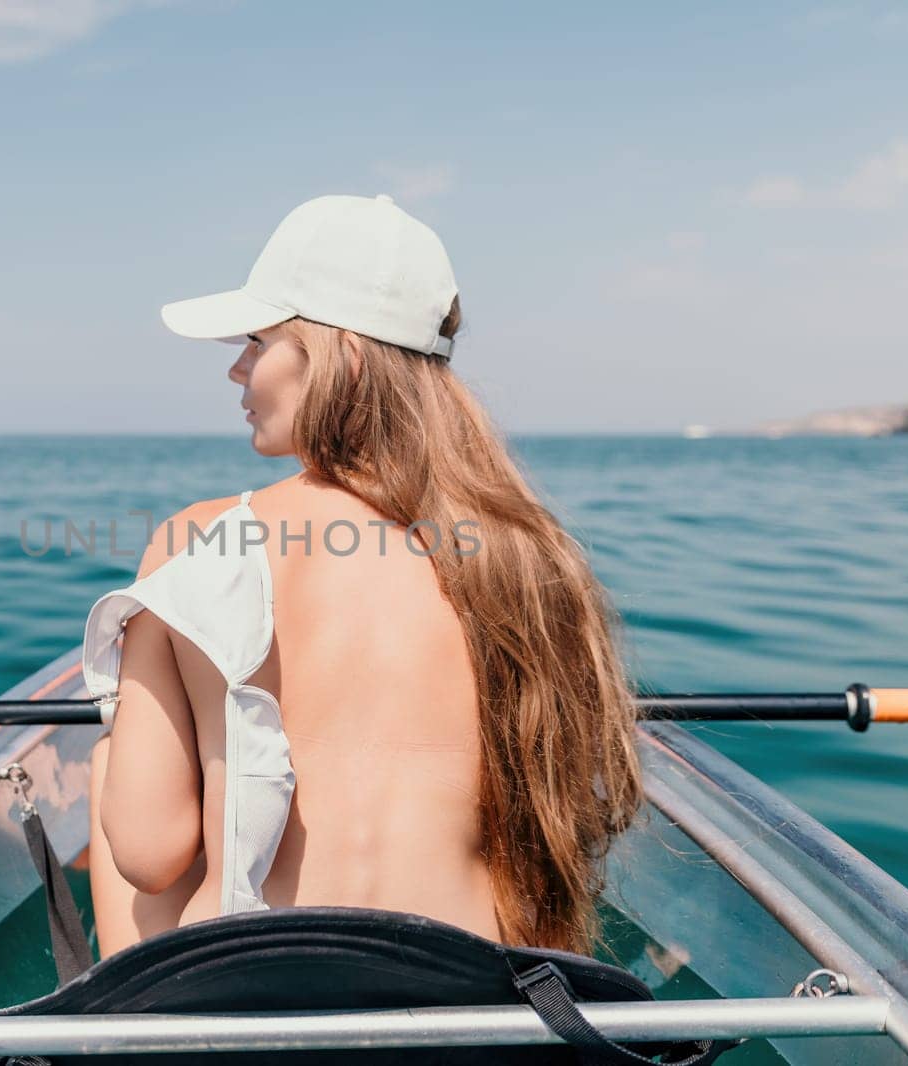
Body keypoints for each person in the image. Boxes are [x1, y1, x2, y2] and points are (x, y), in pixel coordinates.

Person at [81, 194, 641, 960]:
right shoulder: (528, 556)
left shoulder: (197, 539)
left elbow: (149, 853)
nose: (236, 367)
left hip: (251, 995)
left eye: (257, 339)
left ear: (338, 354)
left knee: (115, 759)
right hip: (475, 1000)